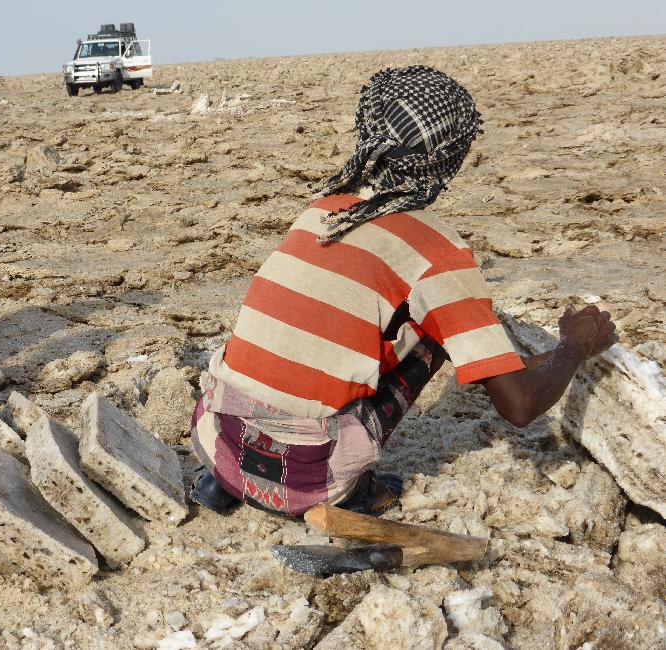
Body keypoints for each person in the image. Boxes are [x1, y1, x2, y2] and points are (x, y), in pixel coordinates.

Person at [189, 66, 618, 517]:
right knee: (436, 328)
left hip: (216, 440)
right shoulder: (438, 252)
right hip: (306, 481)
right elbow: (521, 406)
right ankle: (357, 490)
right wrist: (573, 347)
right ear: (451, 157)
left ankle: (229, 484)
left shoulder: (321, 211)